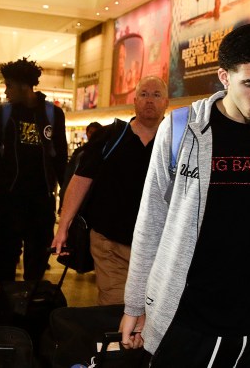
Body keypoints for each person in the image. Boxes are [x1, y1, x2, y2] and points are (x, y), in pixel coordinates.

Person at [120, 23, 250, 367]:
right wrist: (135, 305)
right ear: (224, 77)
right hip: (186, 315)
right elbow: (152, 219)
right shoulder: (182, 129)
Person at [52, 76, 168, 305]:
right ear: (134, 100)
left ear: (166, 102)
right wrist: (63, 226)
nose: (149, 100)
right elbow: (81, 179)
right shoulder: (111, 136)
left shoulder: (177, 141)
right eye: (144, 94)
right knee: (116, 306)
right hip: (109, 243)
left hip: (158, 247)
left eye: (156, 95)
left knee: (152, 309)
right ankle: (115, 341)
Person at [0, 57, 68, 283]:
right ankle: (7, 310)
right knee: (5, 258)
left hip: (41, 202)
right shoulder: (2, 114)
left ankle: (29, 311)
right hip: (9, 200)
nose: (6, 91)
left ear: (25, 86)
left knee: (37, 261)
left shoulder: (53, 115)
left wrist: (67, 197)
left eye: (9, 85)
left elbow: (61, 159)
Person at [58, 121, 102, 211]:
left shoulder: (102, 153)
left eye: (96, 133)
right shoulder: (79, 152)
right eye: (91, 132)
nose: (93, 135)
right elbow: (69, 174)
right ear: (87, 133)